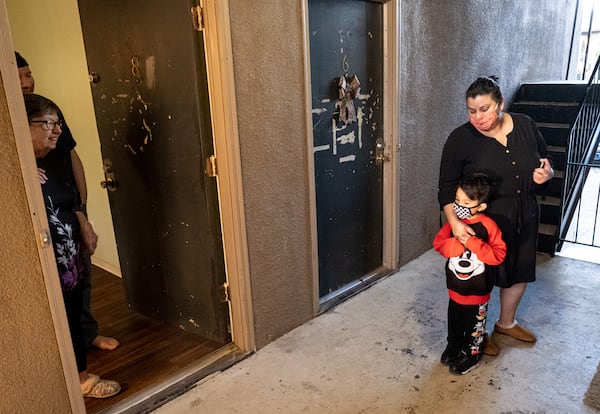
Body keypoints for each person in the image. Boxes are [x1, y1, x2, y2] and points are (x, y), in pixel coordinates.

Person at [438, 76, 554, 353]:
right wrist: (454, 223)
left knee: (519, 271)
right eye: (472, 110)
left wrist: (546, 175)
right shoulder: (460, 139)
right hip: (482, 221)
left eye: (485, 109)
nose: (478, 117)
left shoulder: (526, 124)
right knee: (480, 279)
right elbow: (445, 187)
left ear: (500, 103)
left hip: (525, 212)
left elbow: (545, 160)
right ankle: (477, 335)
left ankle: (506, 323)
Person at [16, 51, 119, 351]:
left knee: (80, 273)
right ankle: (61, 351)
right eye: (19, 75)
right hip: (40, 215)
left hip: (67, 205)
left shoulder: (47, 111)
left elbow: (70, 155)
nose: (27, 82)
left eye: (29, 73)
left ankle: (86, 334)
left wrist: (82, 206)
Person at [24, 93, 121, 398]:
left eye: (58, 123)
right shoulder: (16, 169)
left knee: (73, 312)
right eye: (48, 123)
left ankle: (80, 377)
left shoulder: (54, 159)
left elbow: (71, 198)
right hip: (45, 262)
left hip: (69, 255)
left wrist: (84, 223)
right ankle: (71, 382)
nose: (56, 130)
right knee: (56, 322)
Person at [433, 175, 506, 374]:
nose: (459, 206)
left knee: (475, 327)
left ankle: (471, 355)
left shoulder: (489, 226)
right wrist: (456, 244)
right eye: (457, 201)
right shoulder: (453, 223)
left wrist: (472, 243)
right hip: (455, 288)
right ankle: (453, 347)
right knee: (454, 322)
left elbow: (498, 256)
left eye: (466, 202)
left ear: (481, 206)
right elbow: (439, 244)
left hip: (478, 291)